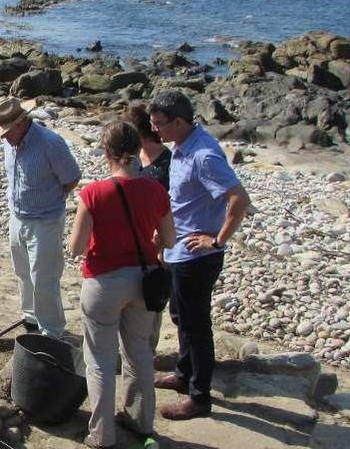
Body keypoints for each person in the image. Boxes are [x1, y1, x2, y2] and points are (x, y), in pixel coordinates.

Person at [68, 121, 176, 449]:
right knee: (139, 353)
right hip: (144, 282)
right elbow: (169, 240)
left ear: (106, 153)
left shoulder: (93, 193)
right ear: (138, 151)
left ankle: (101, 435)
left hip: (103, 281)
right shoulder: (157, 190)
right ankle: (140, 420)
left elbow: (76, 247)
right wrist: (150, 240)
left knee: (99, 360)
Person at [148, 90, 250, 420]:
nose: (155, 131)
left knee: (196, 326)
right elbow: (181, 202)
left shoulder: (204, 155)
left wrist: (217, 240)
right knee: (180, 318)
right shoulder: (181, 145)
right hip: (178, 251)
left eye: (159, 124)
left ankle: (199, 397)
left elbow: (239, 199)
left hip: (197, 257)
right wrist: (164, 236)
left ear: (179, 121)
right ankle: (183, 374)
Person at [0, 96, 81, 337]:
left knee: (44, 280)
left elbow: (72, 178)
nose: (2, 137)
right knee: (23, 273)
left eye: (5, 131)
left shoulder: (50, 143)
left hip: (45, 220)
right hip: (17, 217)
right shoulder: (10, 142)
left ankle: (52, 332)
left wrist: (49, 200)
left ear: (20, 123)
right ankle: (32, 319)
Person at [123, 104, 172, 354]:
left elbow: (172, 204)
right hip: (133, 235)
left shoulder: (167, 162)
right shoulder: (132, 160)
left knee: (152, 293)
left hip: (157, 238)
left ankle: (148, 349)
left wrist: (163, 238)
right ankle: (133, 349)